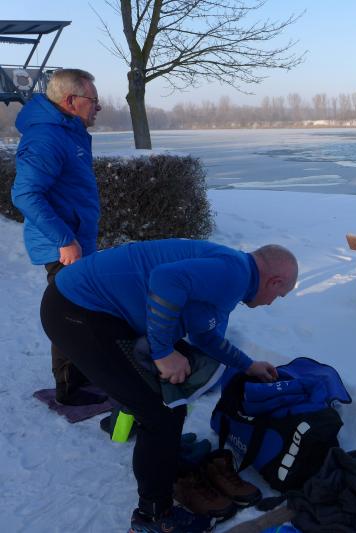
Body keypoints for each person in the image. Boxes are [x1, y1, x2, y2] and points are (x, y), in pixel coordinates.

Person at [39, 238, 298, 532]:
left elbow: (205, 337)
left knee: (171, 403)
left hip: (88, 307)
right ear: (275, 281)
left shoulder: (235, 274)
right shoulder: (234, 274)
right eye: (279, 295)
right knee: (158, 413)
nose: (272, 302)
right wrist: (163, 352)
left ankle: (168, 467)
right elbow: (165, 279)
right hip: (76, 309)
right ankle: (153, 517)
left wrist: (248, 365)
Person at [11, 68, 104, 405]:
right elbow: (25, 194)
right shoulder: (47, 137)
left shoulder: (67, 133)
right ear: (70, 101)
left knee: (83, 309)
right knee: (70, 314)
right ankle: (70, 389)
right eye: (93, 100)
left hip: (75, 240)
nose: (98, 107)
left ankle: (82, 376)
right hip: (64, 246)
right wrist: (64, 239)